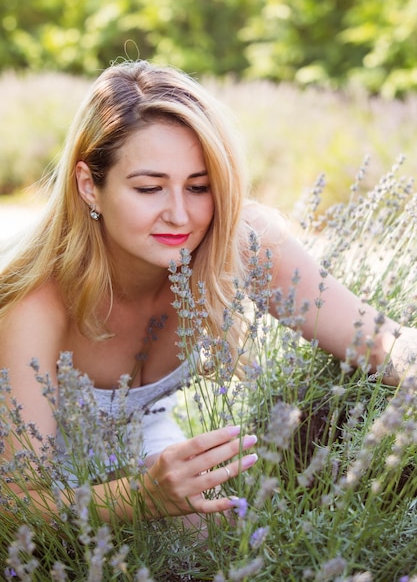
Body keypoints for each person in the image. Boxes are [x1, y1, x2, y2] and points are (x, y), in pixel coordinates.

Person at [0, 59, 415, 525]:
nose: (180, 215)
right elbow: (13, 505)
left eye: (199, 187)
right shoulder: (35, 304)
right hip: (59, 512)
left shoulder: (234, 242)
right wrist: (139, 497)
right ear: (88, 186)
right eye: (149, 188)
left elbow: (378, 340)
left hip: (159, 468)